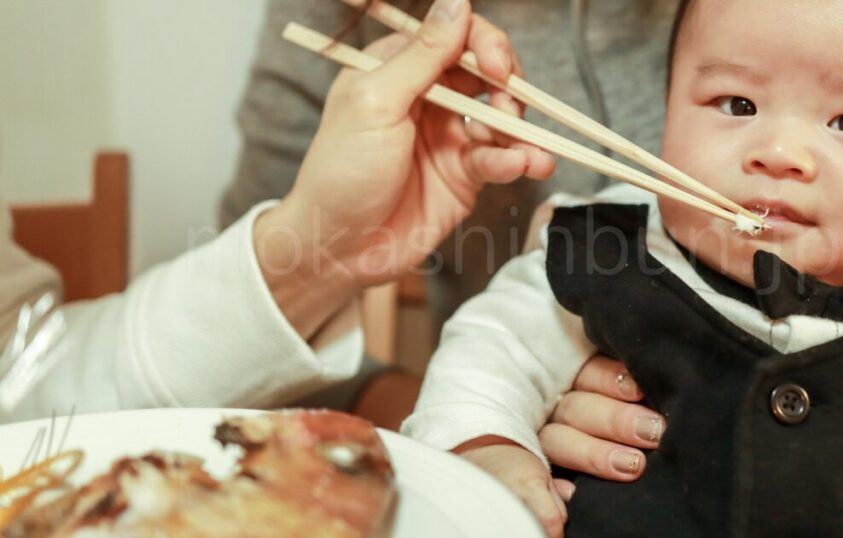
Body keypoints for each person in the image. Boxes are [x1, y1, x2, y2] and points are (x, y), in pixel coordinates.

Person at [221, 0, 843, 531]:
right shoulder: (603, 247)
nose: (778, 152)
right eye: (736, 106)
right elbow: (490, 350)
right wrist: (489, 445)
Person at [0, 0, 554, 423]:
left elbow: (24, 379)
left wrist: (319, 262)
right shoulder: (344, 13)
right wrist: (466, 416)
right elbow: (23, 385)